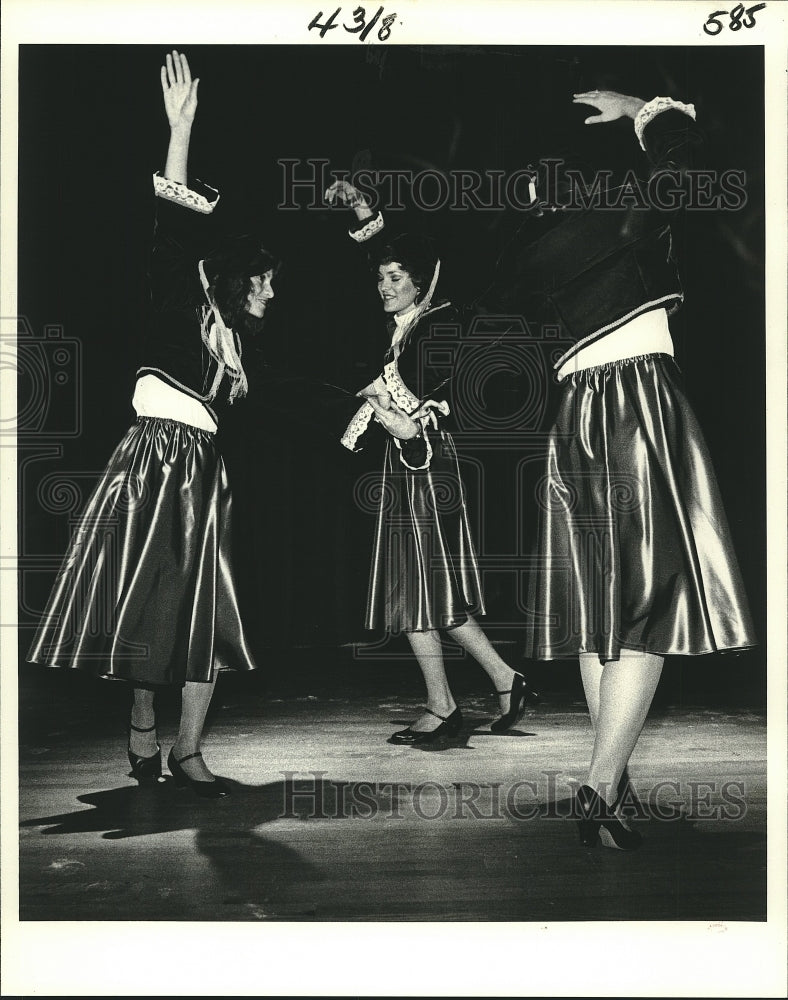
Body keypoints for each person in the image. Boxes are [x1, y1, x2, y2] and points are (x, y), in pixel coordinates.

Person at [27, 51, 363, 796]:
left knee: (205, 606)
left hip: (200, 473)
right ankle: (143, 730)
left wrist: (366, 403)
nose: (271, 295)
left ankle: (186, 748)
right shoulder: (178, 304)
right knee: (146, 606)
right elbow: (175, 226)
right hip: (150, 461)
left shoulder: (242, 354)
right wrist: (179, 130)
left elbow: (298, 391)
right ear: (238, 280)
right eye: (265, 283)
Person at [494, 89, 756, 847]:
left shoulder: (525, 251)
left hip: (574, 413)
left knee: (599, 605)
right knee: (647, 601)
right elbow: (692, 166)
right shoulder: (618, 213)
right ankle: (599, 785)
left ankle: (613, 773)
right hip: (636, 400)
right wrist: (647, 110)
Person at [324, 179, 538, 746]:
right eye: (379, 279)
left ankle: (447, 706)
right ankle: (500, 679)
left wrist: (397, 419)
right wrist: (365, 214)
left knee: (412, 587)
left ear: (422, 282)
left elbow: (432, 403)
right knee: (421, 587)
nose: (383, 287)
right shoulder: (409, 331)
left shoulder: (439, 322)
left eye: (396, 279)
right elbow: (393, 258)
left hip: (422, 468)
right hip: (409, 466)